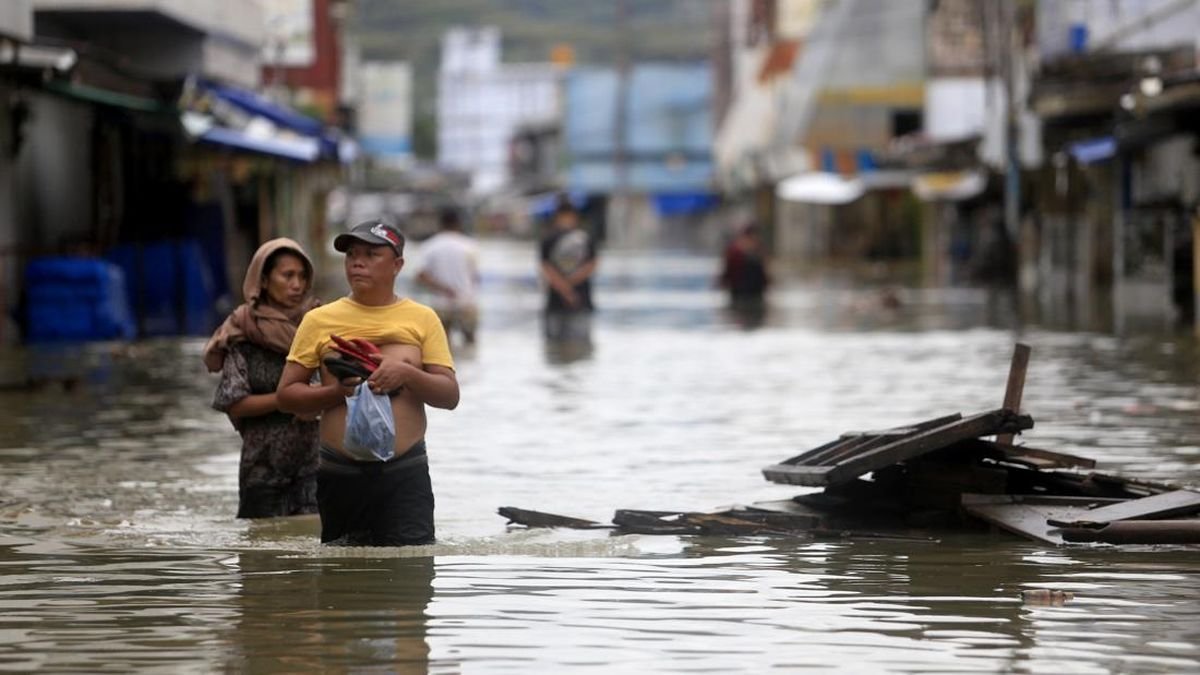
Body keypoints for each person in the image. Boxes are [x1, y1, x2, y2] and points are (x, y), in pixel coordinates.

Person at [276, 219, 459, 547]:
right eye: (351, 255)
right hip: (340, 473)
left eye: (371, 254)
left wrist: (407, 374)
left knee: (410, 579)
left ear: (398, 265)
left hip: (405, 473)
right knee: (340, 585)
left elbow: (449, 395)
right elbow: (287, 396)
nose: (357, 262)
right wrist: (336, 391)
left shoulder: (422, 318)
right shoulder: (319, 320)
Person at [203, 238, 321, 519]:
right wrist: (290, 399)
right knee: (263, 555)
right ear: (264, 280)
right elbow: (234, 403)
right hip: (264, 466)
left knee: (313, 545)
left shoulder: (319, 325)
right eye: (287, 275)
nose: (297, 285)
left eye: (303, 276)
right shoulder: (243, 332)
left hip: (316, 461)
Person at [415, 205, 481, 346]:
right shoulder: (470, 245)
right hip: (466, 301)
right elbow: (475, 276)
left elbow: (420, 276)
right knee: (470, 343)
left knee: (442, 345)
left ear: (440, 223)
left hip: (441, 303)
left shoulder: (429, 245)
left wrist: (443, 289)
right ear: (459, 223)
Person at [539, 200, 598, 342]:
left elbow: (592, 264)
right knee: (573, 344)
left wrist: (566, 287)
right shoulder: (550, 239)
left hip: (575, 300)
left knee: (569, 343)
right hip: (564, 301)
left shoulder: (584, 238)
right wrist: (568, 288)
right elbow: (546, 267)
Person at [717, 222, 770, 306]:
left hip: (756, 288)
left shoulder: (759, 249)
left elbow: (764, 268)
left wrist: (767, 282)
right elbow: (728, 268)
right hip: (739, 288)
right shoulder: (735, 250)